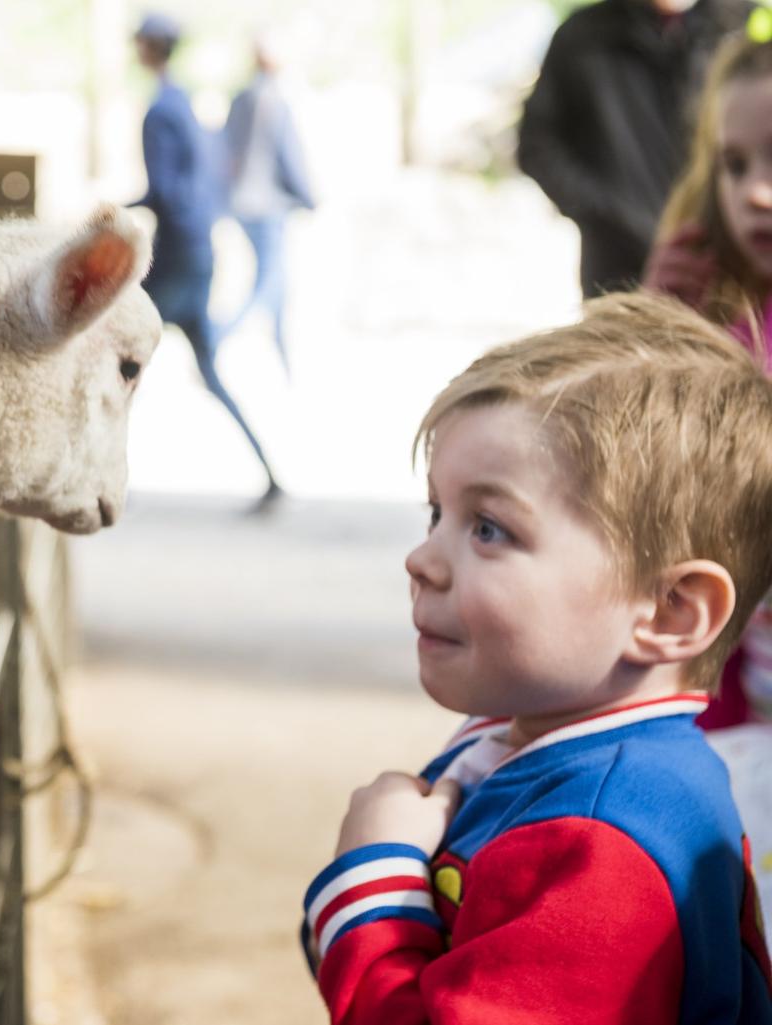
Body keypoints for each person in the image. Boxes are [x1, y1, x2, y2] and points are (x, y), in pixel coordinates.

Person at [303, 293, 772, 1022]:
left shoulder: (601, 844)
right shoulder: (537, 737)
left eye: (488, 527)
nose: (421, 558)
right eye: (437, 513)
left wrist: (371, 888)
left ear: (671, 611)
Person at [644, 28, 772, 728]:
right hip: (723, 712)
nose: (755, 192)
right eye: (733, 163)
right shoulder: (719, 316)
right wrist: (655, 331)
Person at [130, 12, 283, 504]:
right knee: (208, 372)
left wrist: (116, 210)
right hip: (199, 255)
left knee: (117, 360)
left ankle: (102, 477)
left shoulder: (160, 112)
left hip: (174, 260)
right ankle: (270, 473)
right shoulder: (186, 103)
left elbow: (166, 192)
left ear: (149, 48)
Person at [517, 0, 750, 298]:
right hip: (618, 271)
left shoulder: (742, 27)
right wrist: (606, 213)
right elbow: (538, 146)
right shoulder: (584, 36)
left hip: (722, 269)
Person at [220, 32, 315, 377]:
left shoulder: (242, 98)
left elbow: (226, 148)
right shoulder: (274, 100)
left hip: (243, 205)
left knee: (278, 284)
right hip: (267, 207)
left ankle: (285, 360)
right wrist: (309, 197)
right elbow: (288, 156)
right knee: (268, 283)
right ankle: (217, 338)